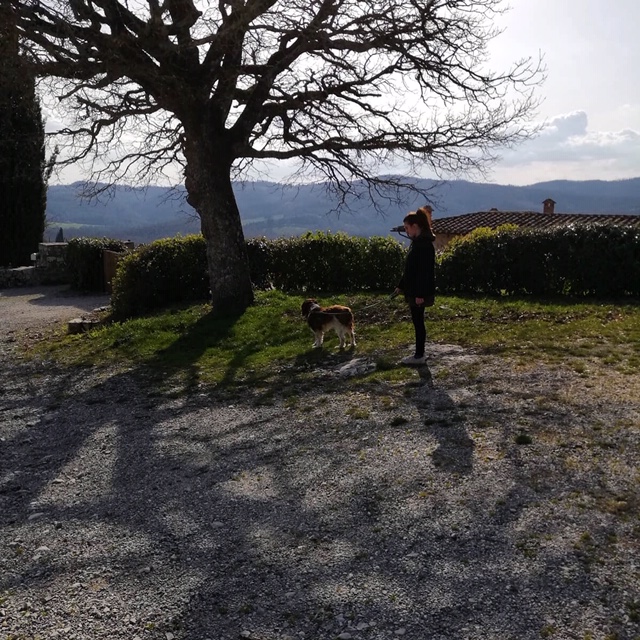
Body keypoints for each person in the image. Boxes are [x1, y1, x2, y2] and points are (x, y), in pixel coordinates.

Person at [394, 205, 436, 365]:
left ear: (415, 226)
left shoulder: (423, 246)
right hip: (414, 290)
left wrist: (419, 295)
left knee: (418, 323)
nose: (405, 231)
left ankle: (419, 355)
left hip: (419, 292)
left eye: (406, 227)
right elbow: (410, 269)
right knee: (417, 322)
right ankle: (419, 354)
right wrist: (401, 286)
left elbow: (424, 272)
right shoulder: (417, 243)